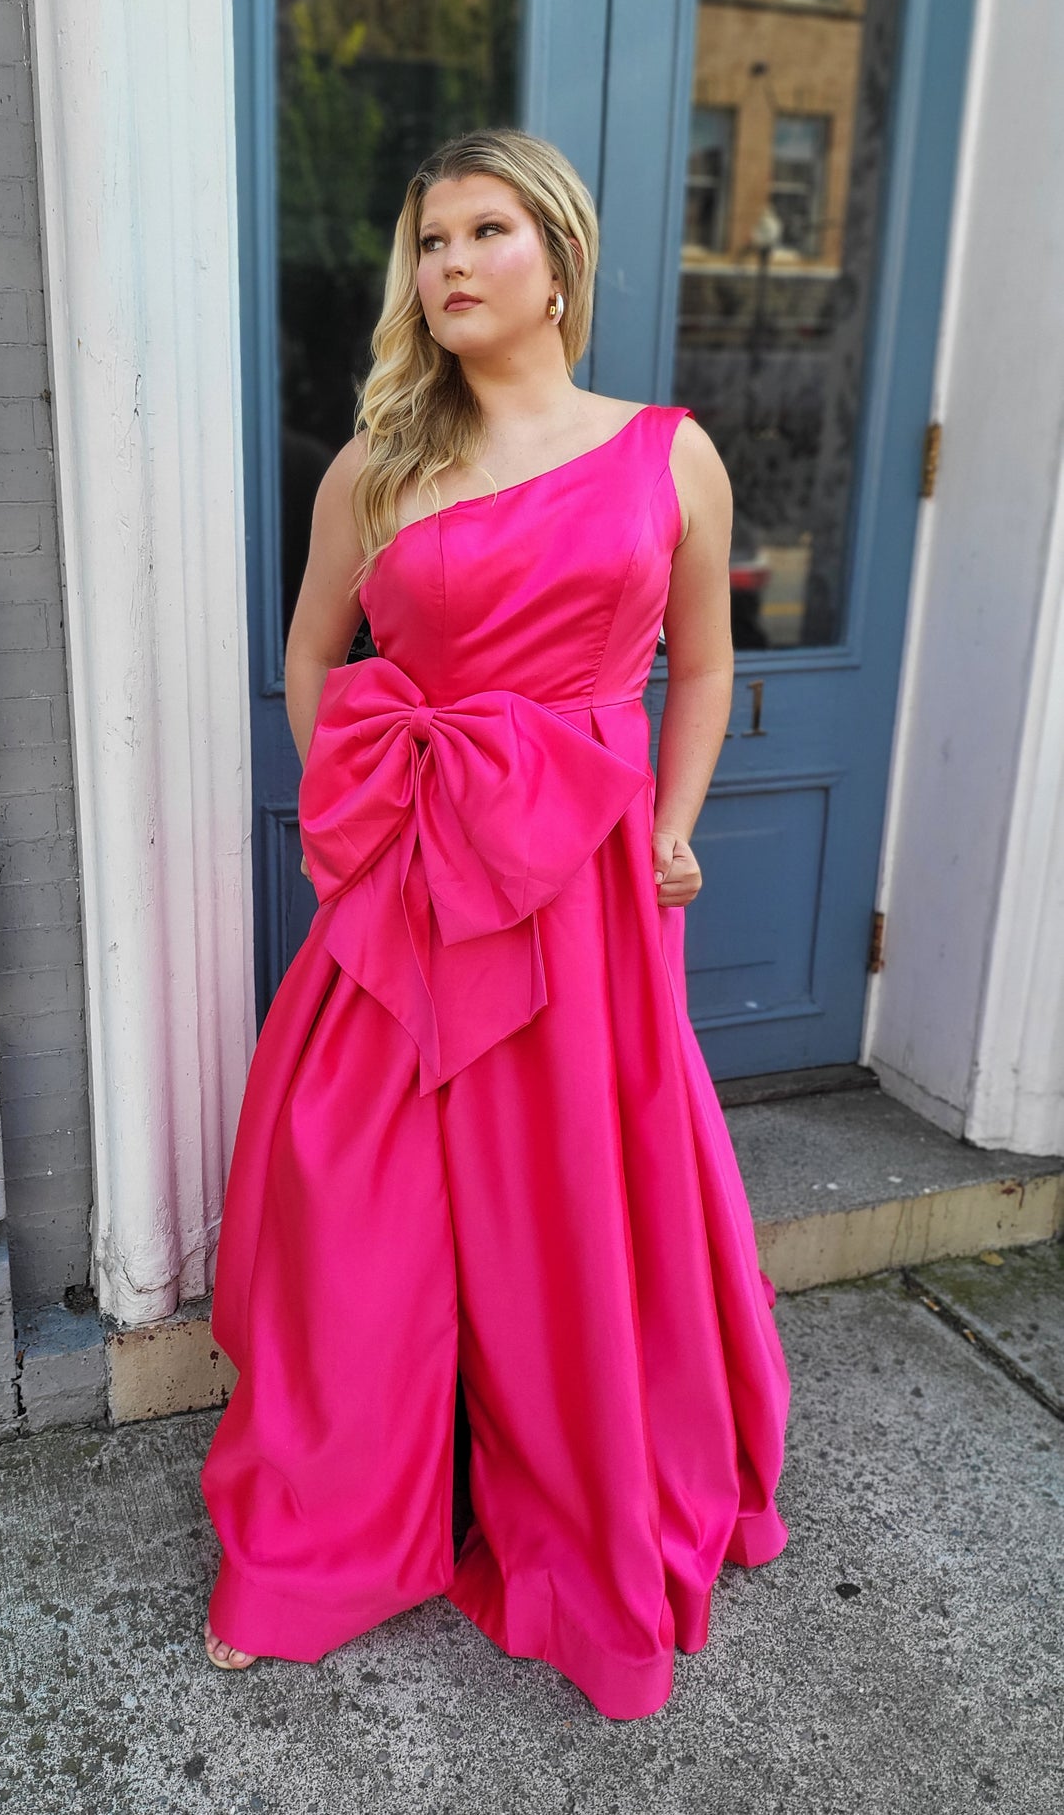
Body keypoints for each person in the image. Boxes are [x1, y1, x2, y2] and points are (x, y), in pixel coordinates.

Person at [199, 127, 791, 1721]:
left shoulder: (667, 452)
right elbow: (312, 657)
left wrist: (669, 827)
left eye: (484, 232)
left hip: (586, 884)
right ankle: (331, 1529)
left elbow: (705, 664)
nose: (448, 264)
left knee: (562, 1204)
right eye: (427, 241)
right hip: (411, 880)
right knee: (359, 1197)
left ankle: (572, 1492)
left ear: (558, 260)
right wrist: (357, 823)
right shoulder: (377, 465)